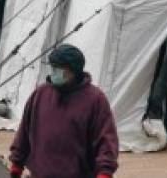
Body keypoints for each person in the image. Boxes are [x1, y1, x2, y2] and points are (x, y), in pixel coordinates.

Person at [9, 44, 119, 178]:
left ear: (73, 70)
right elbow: (24, 132)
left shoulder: (95, 100)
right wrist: (17, 164)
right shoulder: (41, 94)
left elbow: (106, 140)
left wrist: (104, 173)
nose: (54, 71)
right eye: (53, 67)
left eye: (58, 68)